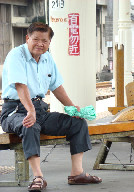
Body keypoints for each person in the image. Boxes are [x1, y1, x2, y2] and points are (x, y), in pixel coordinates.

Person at [0, 22, 102, 191]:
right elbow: (20, 85)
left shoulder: (47, 58)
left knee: (77, 123)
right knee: (29, 124)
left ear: (49, 42)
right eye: (36, 39)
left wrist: (72, 107)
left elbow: (56, 86)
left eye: (45, 41)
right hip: (15, 111)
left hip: (40, 109)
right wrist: (30, 111)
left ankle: (77, 174)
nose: (40, 44)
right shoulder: (16, 55)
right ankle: (38, 177)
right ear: (27, 38)